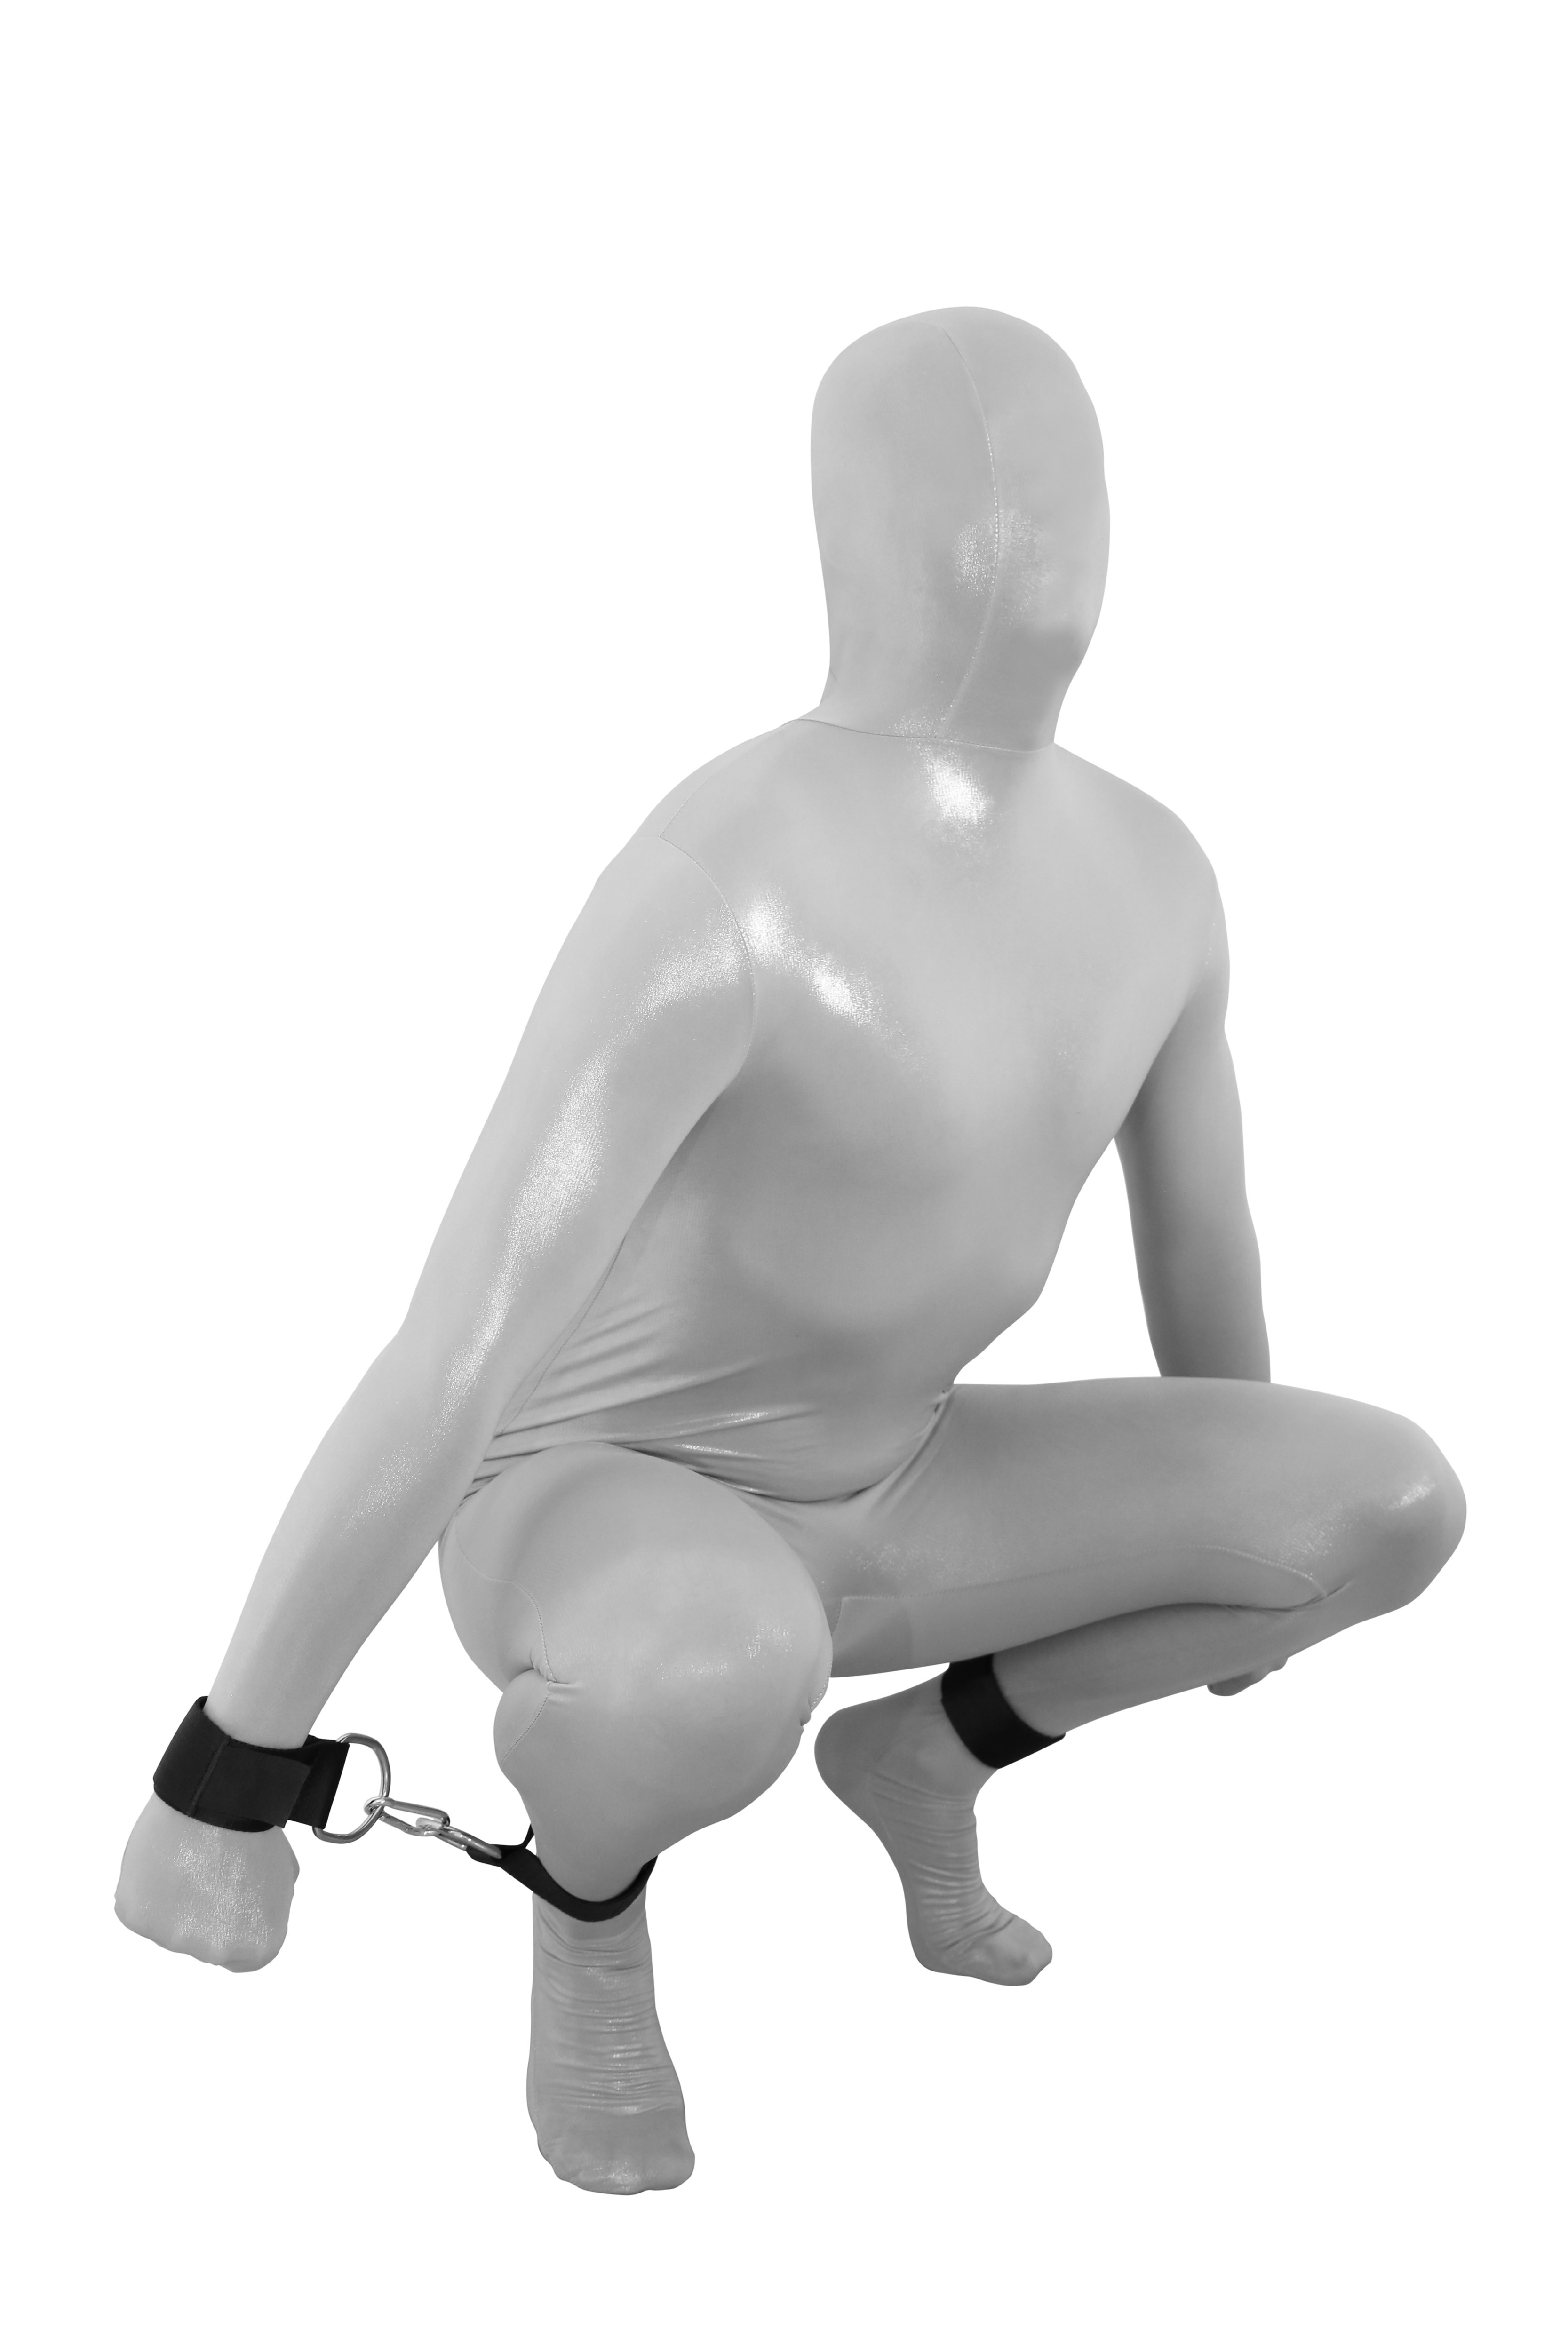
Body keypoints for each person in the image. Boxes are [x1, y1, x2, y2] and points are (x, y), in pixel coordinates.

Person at [116, 307, 1465, 2196]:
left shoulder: (1157, 870)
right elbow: (458, 1342)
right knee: (710, 1666)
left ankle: (927, 1757)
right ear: (852, 522)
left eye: (1063, 469)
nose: (1018, 518)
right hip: (601, 1499)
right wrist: (230, 1764)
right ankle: (590, 1908)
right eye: (961, 478)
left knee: (1389, 1502)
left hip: (904, 1479)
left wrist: (1252, 1570)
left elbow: (1204, 1231)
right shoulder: (725, 868)